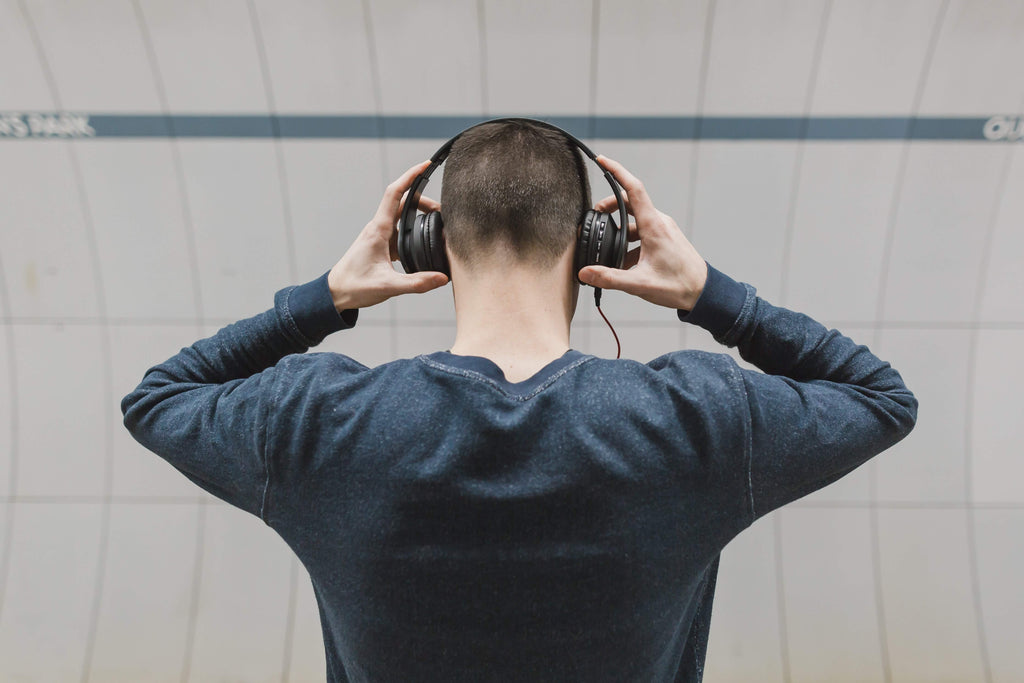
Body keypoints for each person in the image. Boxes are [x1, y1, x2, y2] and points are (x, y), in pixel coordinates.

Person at [121, 119, 917, 682]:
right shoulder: (695, 419)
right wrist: (712, 296)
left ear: (427, 243)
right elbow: (879, 397)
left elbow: (158, 397)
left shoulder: (319, 421)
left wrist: (324, 298)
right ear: (596, 246)